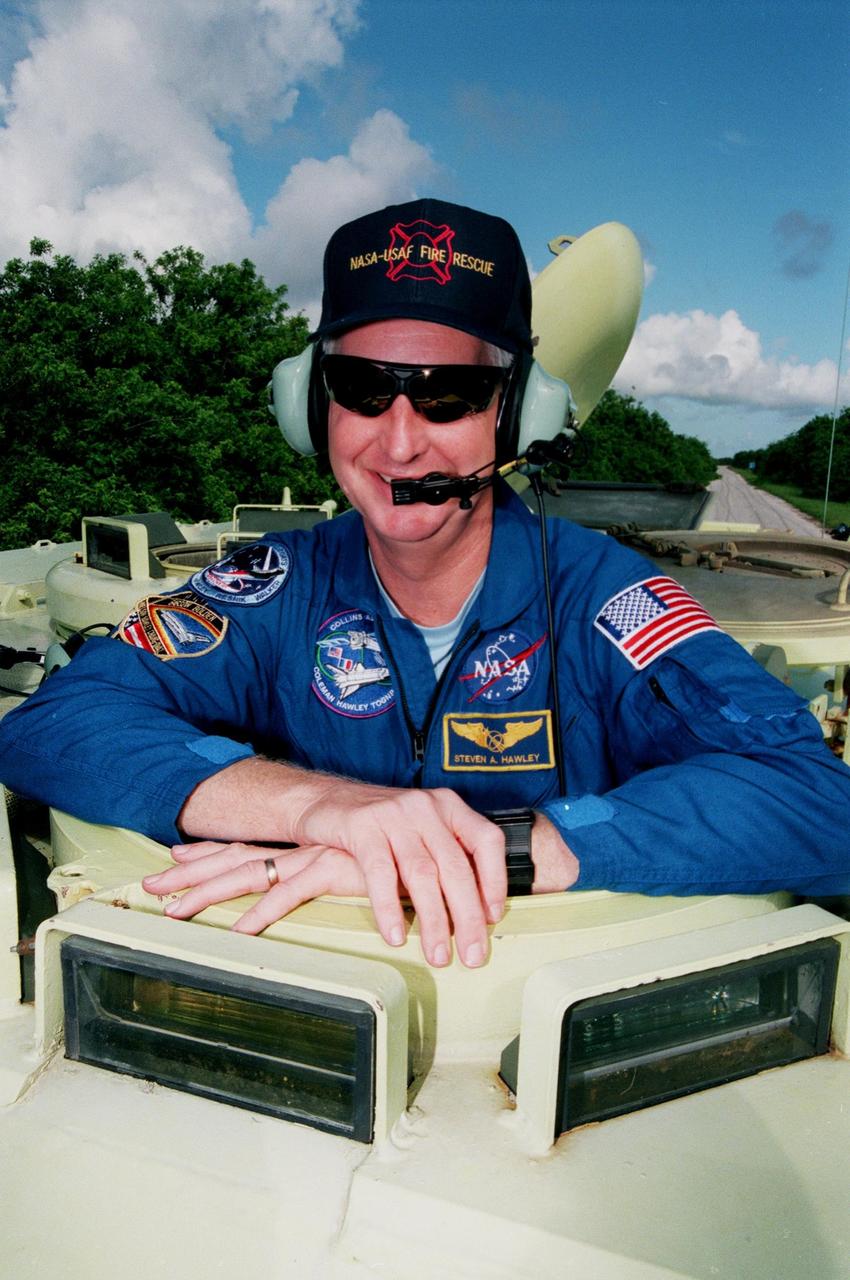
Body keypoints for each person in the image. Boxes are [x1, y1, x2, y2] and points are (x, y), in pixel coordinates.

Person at [0, 198, 848, 970]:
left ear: (517, 415)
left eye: (451, 396)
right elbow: (56, 721)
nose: (400, 443)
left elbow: (814, 796)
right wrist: (319, 808)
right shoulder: (277, 587)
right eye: (363, 389)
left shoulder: (601, 596)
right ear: (311, 406)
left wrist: (497, 848)